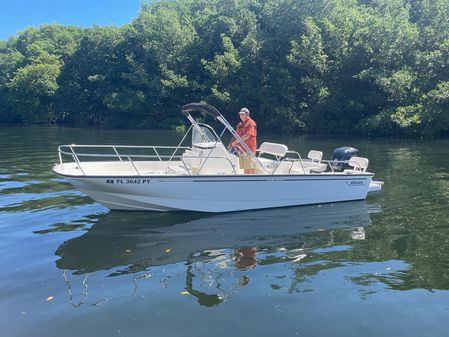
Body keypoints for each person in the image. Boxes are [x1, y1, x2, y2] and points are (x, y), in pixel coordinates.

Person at [228, 107, 257, 174]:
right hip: (241, 150)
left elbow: (248, 135)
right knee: (245, 168)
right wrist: (230, 143)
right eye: (240, 114)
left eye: (242, 114)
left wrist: (236, 142)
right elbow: (235, 135)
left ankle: (253, 182)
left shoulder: (251, 123)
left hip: (249, 149)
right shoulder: (240, 124)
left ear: (247, 114)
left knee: (250, 167)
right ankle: (246, 182)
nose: (241, 116)